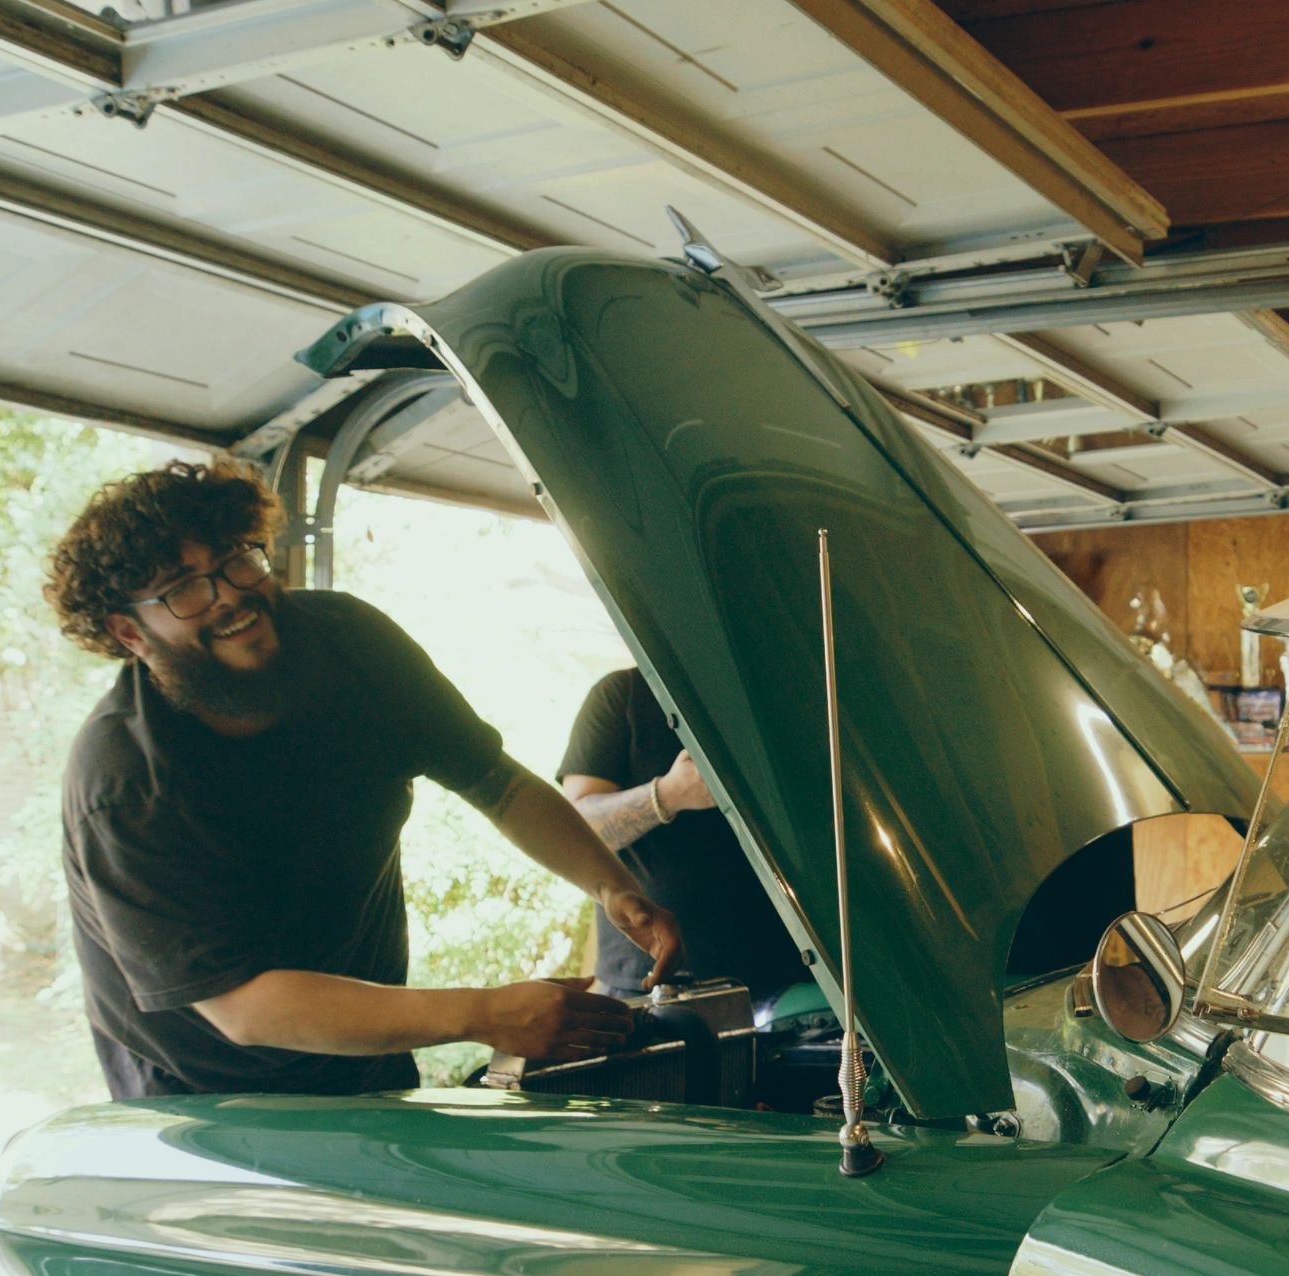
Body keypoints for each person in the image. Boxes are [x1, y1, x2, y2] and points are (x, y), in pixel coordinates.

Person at [47, 458, 685, 1099]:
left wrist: (612, 886)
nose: (230, 595)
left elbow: (496, 782)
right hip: (206, 1099)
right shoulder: (126, 784)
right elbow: (243, 1008)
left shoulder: (352, 645)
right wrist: (484, 1013)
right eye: (184, 589)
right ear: (130, 631)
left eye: (237, 559)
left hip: (364, 1056)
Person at [558, 668, 808, 1002]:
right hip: (653, 982)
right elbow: (575, 832)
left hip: (794, 973)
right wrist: (667, 795)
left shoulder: (784, 692)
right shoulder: (623, 693)